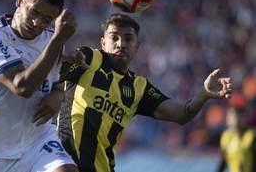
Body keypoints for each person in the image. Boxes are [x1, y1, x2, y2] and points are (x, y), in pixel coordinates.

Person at [57, 13, 233, 172]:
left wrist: (204, 93)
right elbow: (53, 73)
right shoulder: (89, 58)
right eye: (114, 38)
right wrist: (55, 92)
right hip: (63, 161)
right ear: (103, 42)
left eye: (128, 39)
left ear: (137, 46)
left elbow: (182, 114)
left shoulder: (139, 87)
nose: (121, 44)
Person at [0, 0, 79, 172]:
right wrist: (58, 40)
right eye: (34, 11)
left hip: (39, 141)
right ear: (20, 0)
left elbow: (57, 79)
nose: (37, 23)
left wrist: (59, 95)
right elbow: (21, 86)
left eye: (47, 19)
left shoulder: (52, 40)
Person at [217, 94, 256, 172]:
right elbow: (223, 162)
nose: (237, 119)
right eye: (234, 116)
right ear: (227, 118)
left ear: (245, 117)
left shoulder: (252, 135)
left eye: (240, 115)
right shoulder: (225, 137)